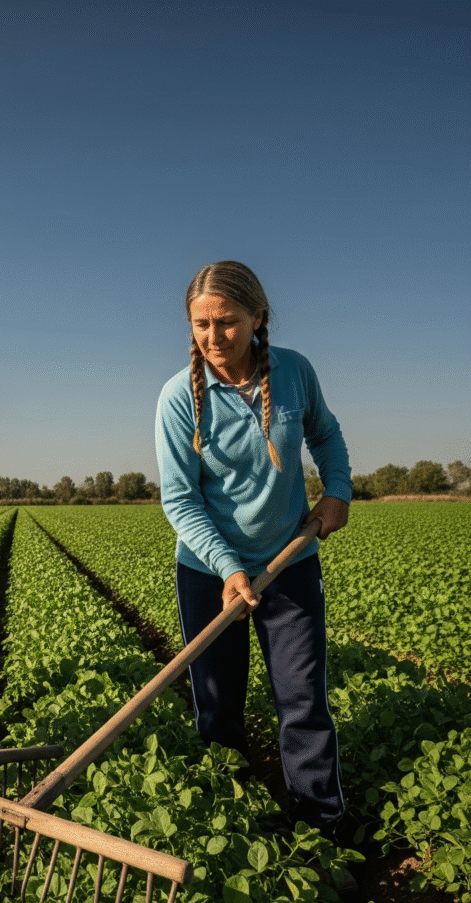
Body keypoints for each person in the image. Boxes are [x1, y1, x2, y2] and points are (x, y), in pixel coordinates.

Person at [155, 260, 352, 844]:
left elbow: (327, 433)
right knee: (217, 706)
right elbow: (180, 500)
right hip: (207, 570)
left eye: (228, 323)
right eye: (201, 324)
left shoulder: (293, 373)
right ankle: (232, 825)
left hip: (288, 562)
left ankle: (321, 826)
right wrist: (228, 568)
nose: (214, 338)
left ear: (258, 318)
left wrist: (337, 490)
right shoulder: (177, 398)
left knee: (302, 699)